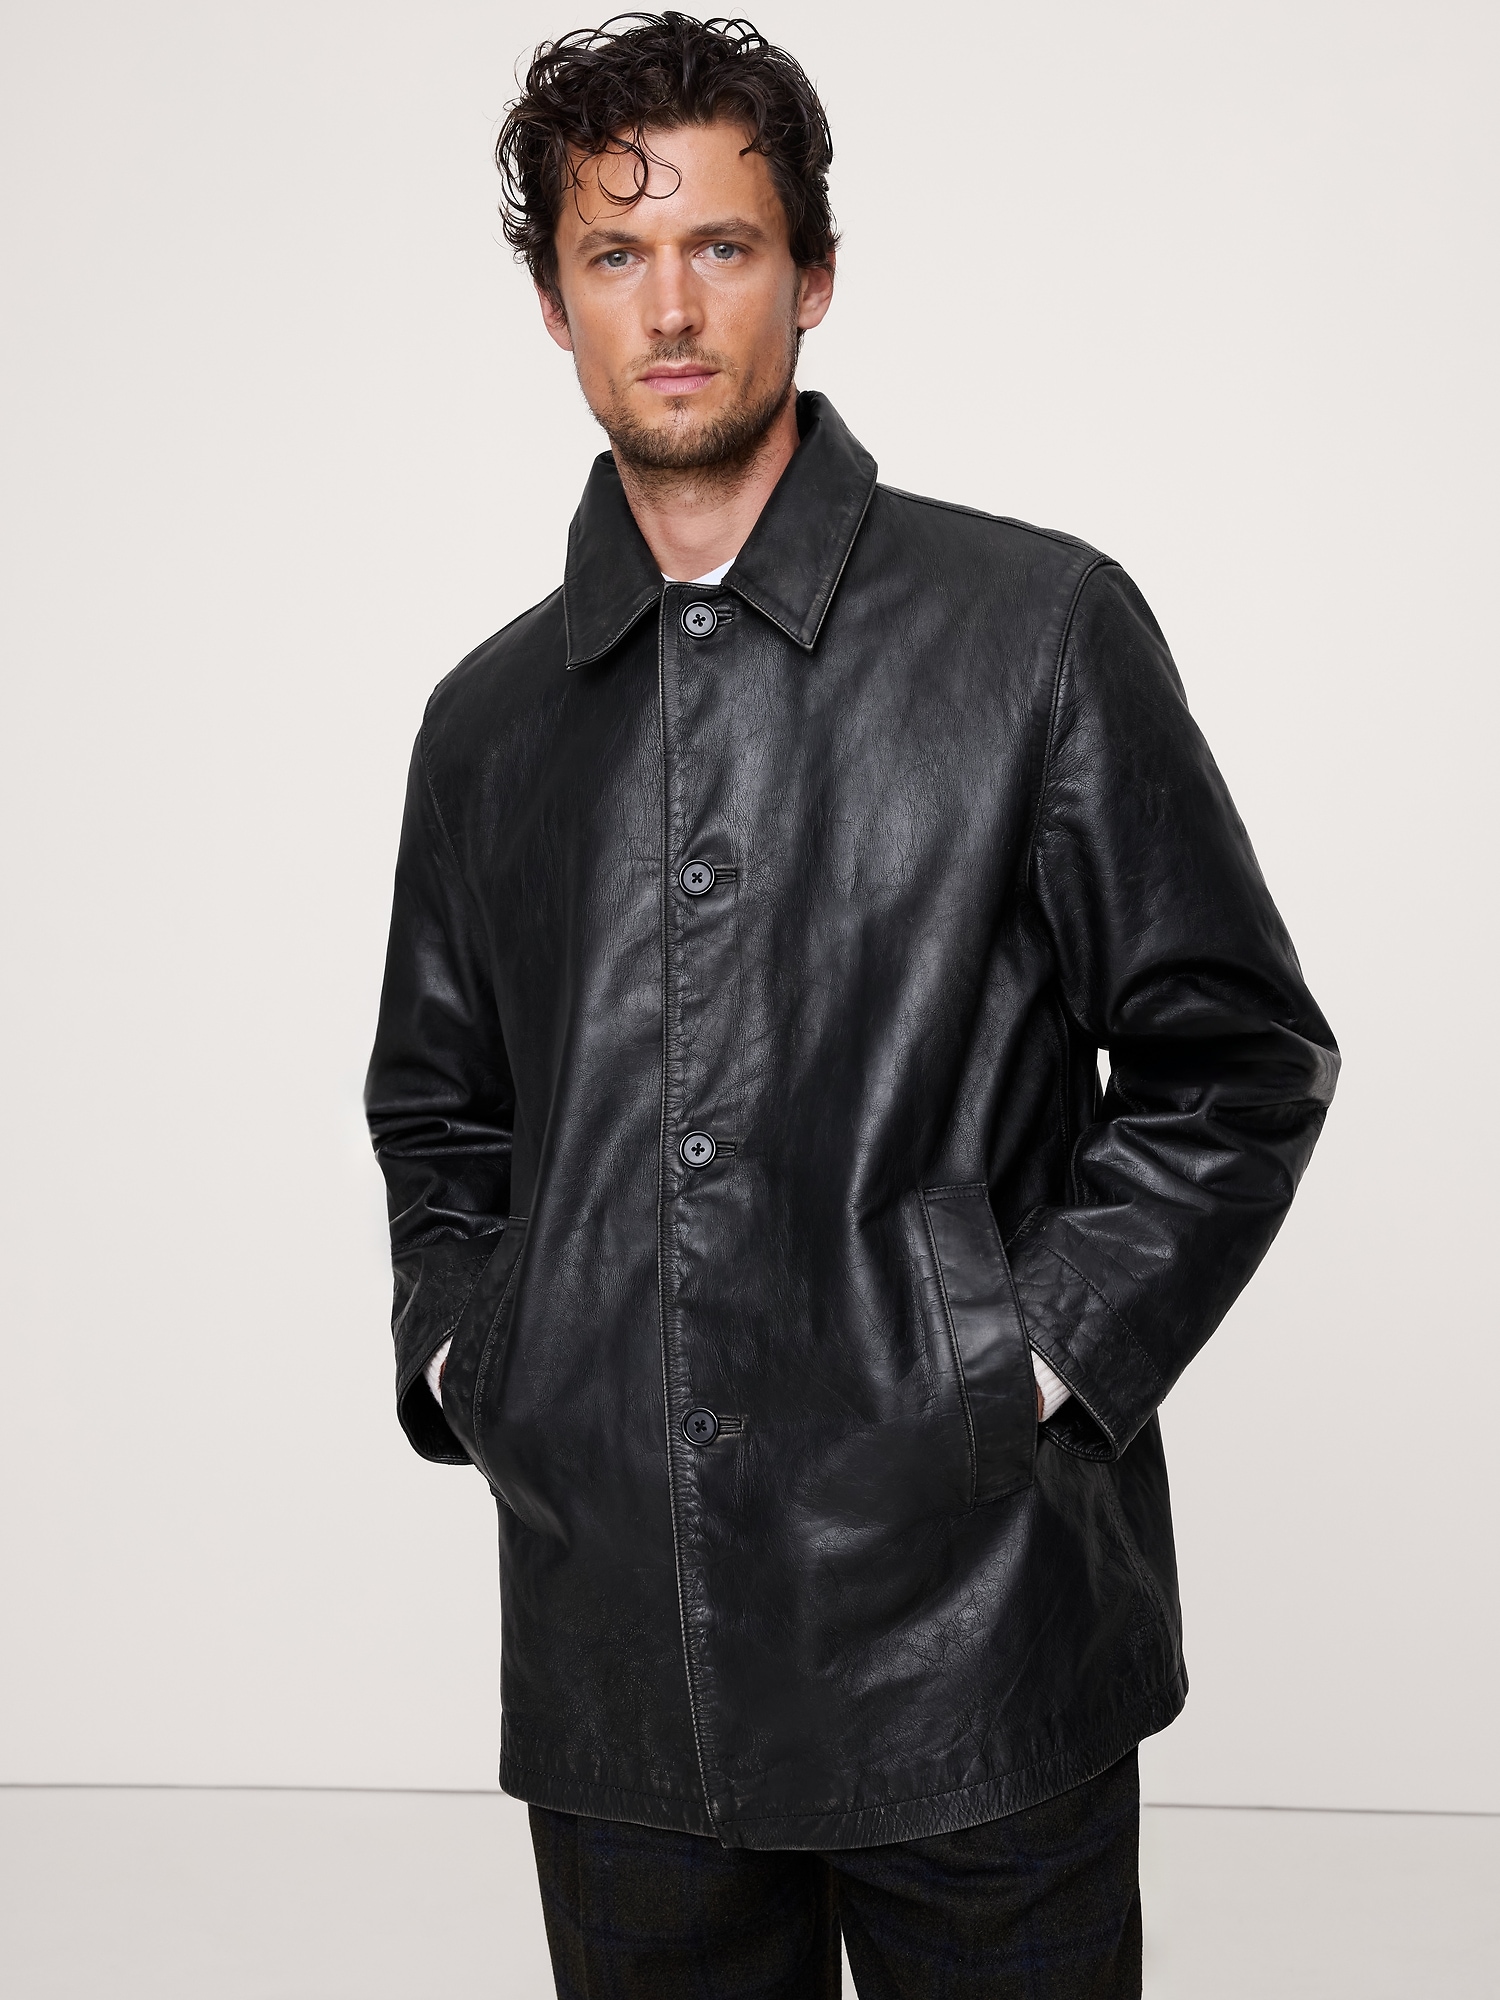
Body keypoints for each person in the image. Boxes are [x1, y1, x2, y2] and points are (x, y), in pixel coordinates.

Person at [364, 15, 1338, 1996]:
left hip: (977, 1632)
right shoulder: (487, 722)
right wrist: (485, 1357)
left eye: (720, 246)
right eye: (615, 254)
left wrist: (1022, 1366)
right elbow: (440, 1113)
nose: (669, 307)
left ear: (811, 275)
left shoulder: (1034, 630)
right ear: (553, 304)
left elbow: (1234, 1060)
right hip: (620, 1656)